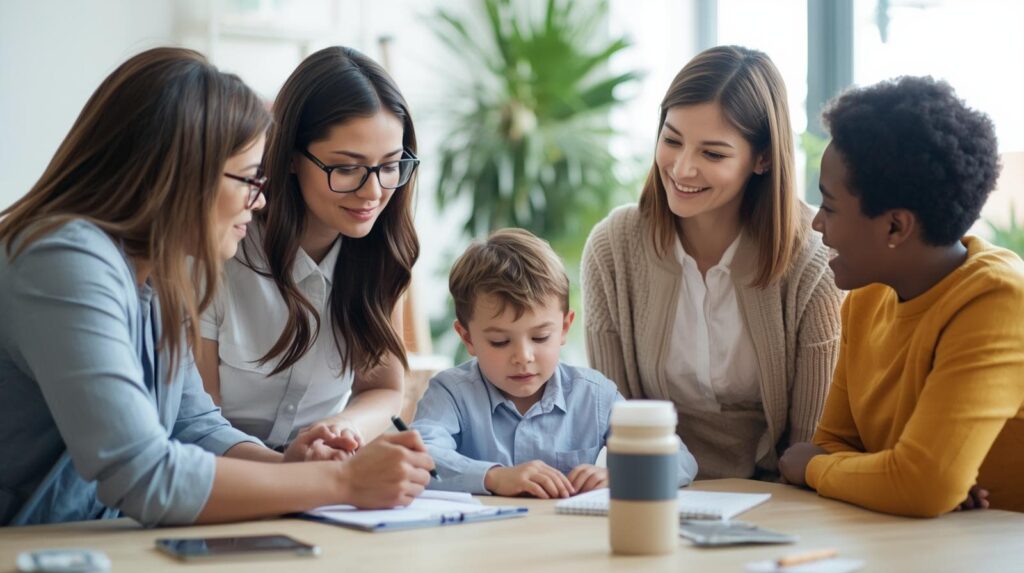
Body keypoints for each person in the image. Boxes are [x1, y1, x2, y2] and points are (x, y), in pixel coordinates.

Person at [0, 47, 433, 527]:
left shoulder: (157, 274)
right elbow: (144, 474)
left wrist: (293, 466)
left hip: (88, 540)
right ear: (185, 174)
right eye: (250, 178)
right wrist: (345, 483)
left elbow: (193, 424)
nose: (261, 197)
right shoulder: (64, 260)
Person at [582, 45, 843, 481]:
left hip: (780, 493)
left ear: (761, 159)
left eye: (713, 154)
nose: (682, 169)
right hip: (650, 484)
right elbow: (613, 423)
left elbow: (810, 444)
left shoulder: (812, 259)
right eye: (672, 140)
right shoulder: (613, 248)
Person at [778, 76, 1024, 517]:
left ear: (895, 227)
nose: (817, 225)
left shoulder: (1001, 300)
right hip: (927, 547)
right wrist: (898, 479)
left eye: (830, 207)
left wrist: (817, 468)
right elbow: (836, 444)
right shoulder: (867, 299)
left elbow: (920, 483)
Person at [197, 46, 420, 454]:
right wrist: (286, 467)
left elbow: (385, 388)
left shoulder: (382, 255)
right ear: (291, 157)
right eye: (347, 167)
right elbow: (195, 421)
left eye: (389, 166)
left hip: (321, 479)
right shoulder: (224, 246)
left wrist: (339, 429)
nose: (373, 192)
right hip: (223, 476)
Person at [413, 229, 698, 497]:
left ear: (563, 328)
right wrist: (494, 477)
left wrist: (625, 475)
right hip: (479, 543)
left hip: (566, 541)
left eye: (540, 337)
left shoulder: (594, 395)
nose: (523, 356)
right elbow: (422, 455)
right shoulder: (450, 392)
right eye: (500, 341)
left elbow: (679, 459)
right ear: (468, 338)